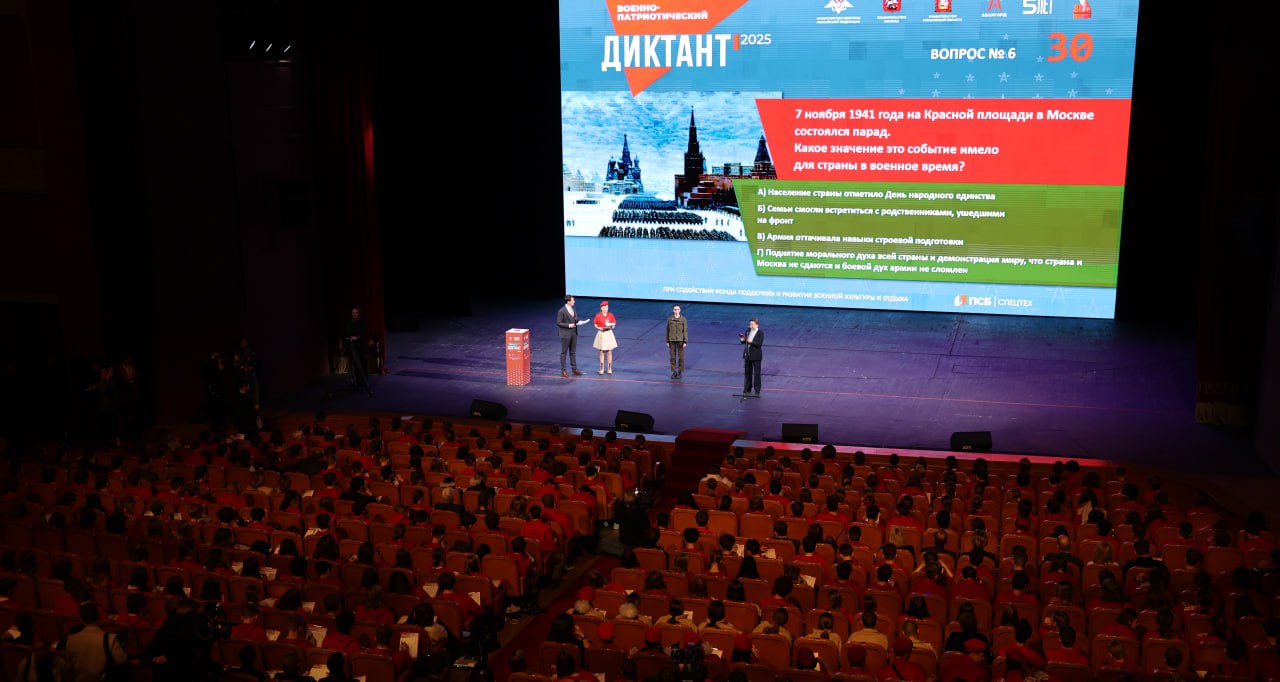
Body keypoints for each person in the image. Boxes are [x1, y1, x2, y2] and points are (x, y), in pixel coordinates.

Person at [65, 603, 128, 682]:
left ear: (80, 619)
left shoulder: (71, 640)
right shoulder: (110, 638)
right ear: (98, 617)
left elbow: (70, 667)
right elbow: (122, 660)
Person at [557, 295, 589, 378]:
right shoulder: (562, 311)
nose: (574, 301)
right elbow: (559, 323)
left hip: (574, 333)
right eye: (573, 300)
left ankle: (574, 369)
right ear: (568, 301)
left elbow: (575, 319)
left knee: (572, 352)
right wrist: (569, 325)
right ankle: (563, 371)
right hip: (566, 334)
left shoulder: (573, 308)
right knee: (564, 352)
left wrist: (580, 322)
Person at [344, 306, 370, 393]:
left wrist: (357, 337)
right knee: (355, 366)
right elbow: (347, 332)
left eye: (356, 312)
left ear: (359, 313)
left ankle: (364, 382)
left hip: (360, 347)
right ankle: (358, 382)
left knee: (362, 364)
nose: (354, 314)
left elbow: (362, 333)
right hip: (352, 346)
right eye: (353, 312)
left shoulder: (362, 322)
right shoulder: (349, 322)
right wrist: (350, 337)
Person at [739, 317, 763, 396]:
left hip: (756, 356)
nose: (750, 326)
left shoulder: (760, 333)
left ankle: (757, 390)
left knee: (756, 374)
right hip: (747, 355)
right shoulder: (748, 330)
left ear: (757, 325)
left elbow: (759, 344)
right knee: (747, 373)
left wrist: (750, 342)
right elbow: (745, 342)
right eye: (750, 324)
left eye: (752, 324)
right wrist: (742, 340)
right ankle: (747, 389)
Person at [592, 301, 618, 375]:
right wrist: (599, 328)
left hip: (608, 333)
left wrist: (613, 326)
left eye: (606, 308)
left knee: (609, 351)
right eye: (604, 308)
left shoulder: (611, 315)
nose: (605, 309)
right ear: (601, 308)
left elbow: (613, 324)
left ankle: (609, 368)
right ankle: (602, 368)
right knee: (602, 352)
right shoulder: (598, 315)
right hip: (602, 333)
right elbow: (595, 324)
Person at [666, 304, 688, 379]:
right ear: (673, 310)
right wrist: (667, 340)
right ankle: (674, 372)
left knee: (681, 357)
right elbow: (667, 330)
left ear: (680, 310)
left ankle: (680, 372)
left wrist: (685, 341)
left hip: (680, 340)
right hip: (671, 340)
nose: (676, 311)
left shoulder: (683, 319)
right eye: (675, 309)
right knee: (672, 357)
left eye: (678, 309)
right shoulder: (670, 319)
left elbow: (685, 331)